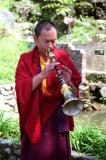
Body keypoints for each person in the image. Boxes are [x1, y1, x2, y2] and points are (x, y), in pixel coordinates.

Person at [15, 21, 82, 160]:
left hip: (58, 118)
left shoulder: (62, 56)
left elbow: (74, 95)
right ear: (35, 39)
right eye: (47, 42)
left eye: (54, 41)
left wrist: (69, 82)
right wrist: (43, 74)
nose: (51, 46)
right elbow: (21, 88)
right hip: (36, 117)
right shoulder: (25, 59)